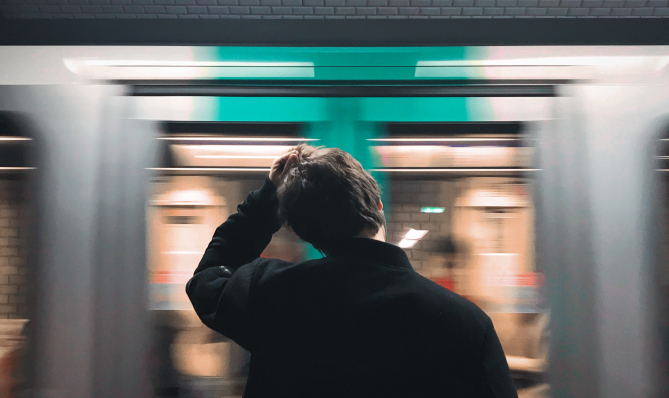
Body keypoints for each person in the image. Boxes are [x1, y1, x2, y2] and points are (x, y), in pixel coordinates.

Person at [186, 145, 518, 398]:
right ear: (378, 207)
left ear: (304, 234)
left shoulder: (271, 294)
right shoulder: (466, 322)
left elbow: (209, 275)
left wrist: (265, 201)